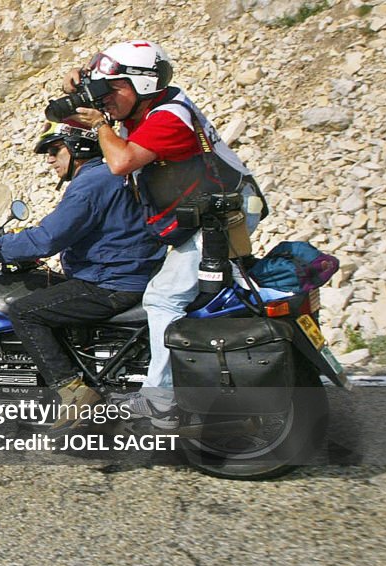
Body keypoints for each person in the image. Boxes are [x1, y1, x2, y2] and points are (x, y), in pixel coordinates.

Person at [63, 40, 268, 425]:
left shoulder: (168, 117)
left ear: (141, 85)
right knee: (180, 290)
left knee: (162, 299)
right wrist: (73, 92)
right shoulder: (148, 108)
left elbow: (121, 161)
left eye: (113, 87)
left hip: (222, 216)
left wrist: (101, 125)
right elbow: (78, 122)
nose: (105, 96)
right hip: (208, 212)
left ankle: (161, 399)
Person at [0, 123, 165, 425]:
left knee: (25, 312)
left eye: (55, 150)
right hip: (129, 272)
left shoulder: (90, 183)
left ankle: (73, 392)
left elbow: (47, 239)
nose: (50, 160)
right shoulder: (109, 175)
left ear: (79, 147)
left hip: (110, 283)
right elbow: (61, 228)